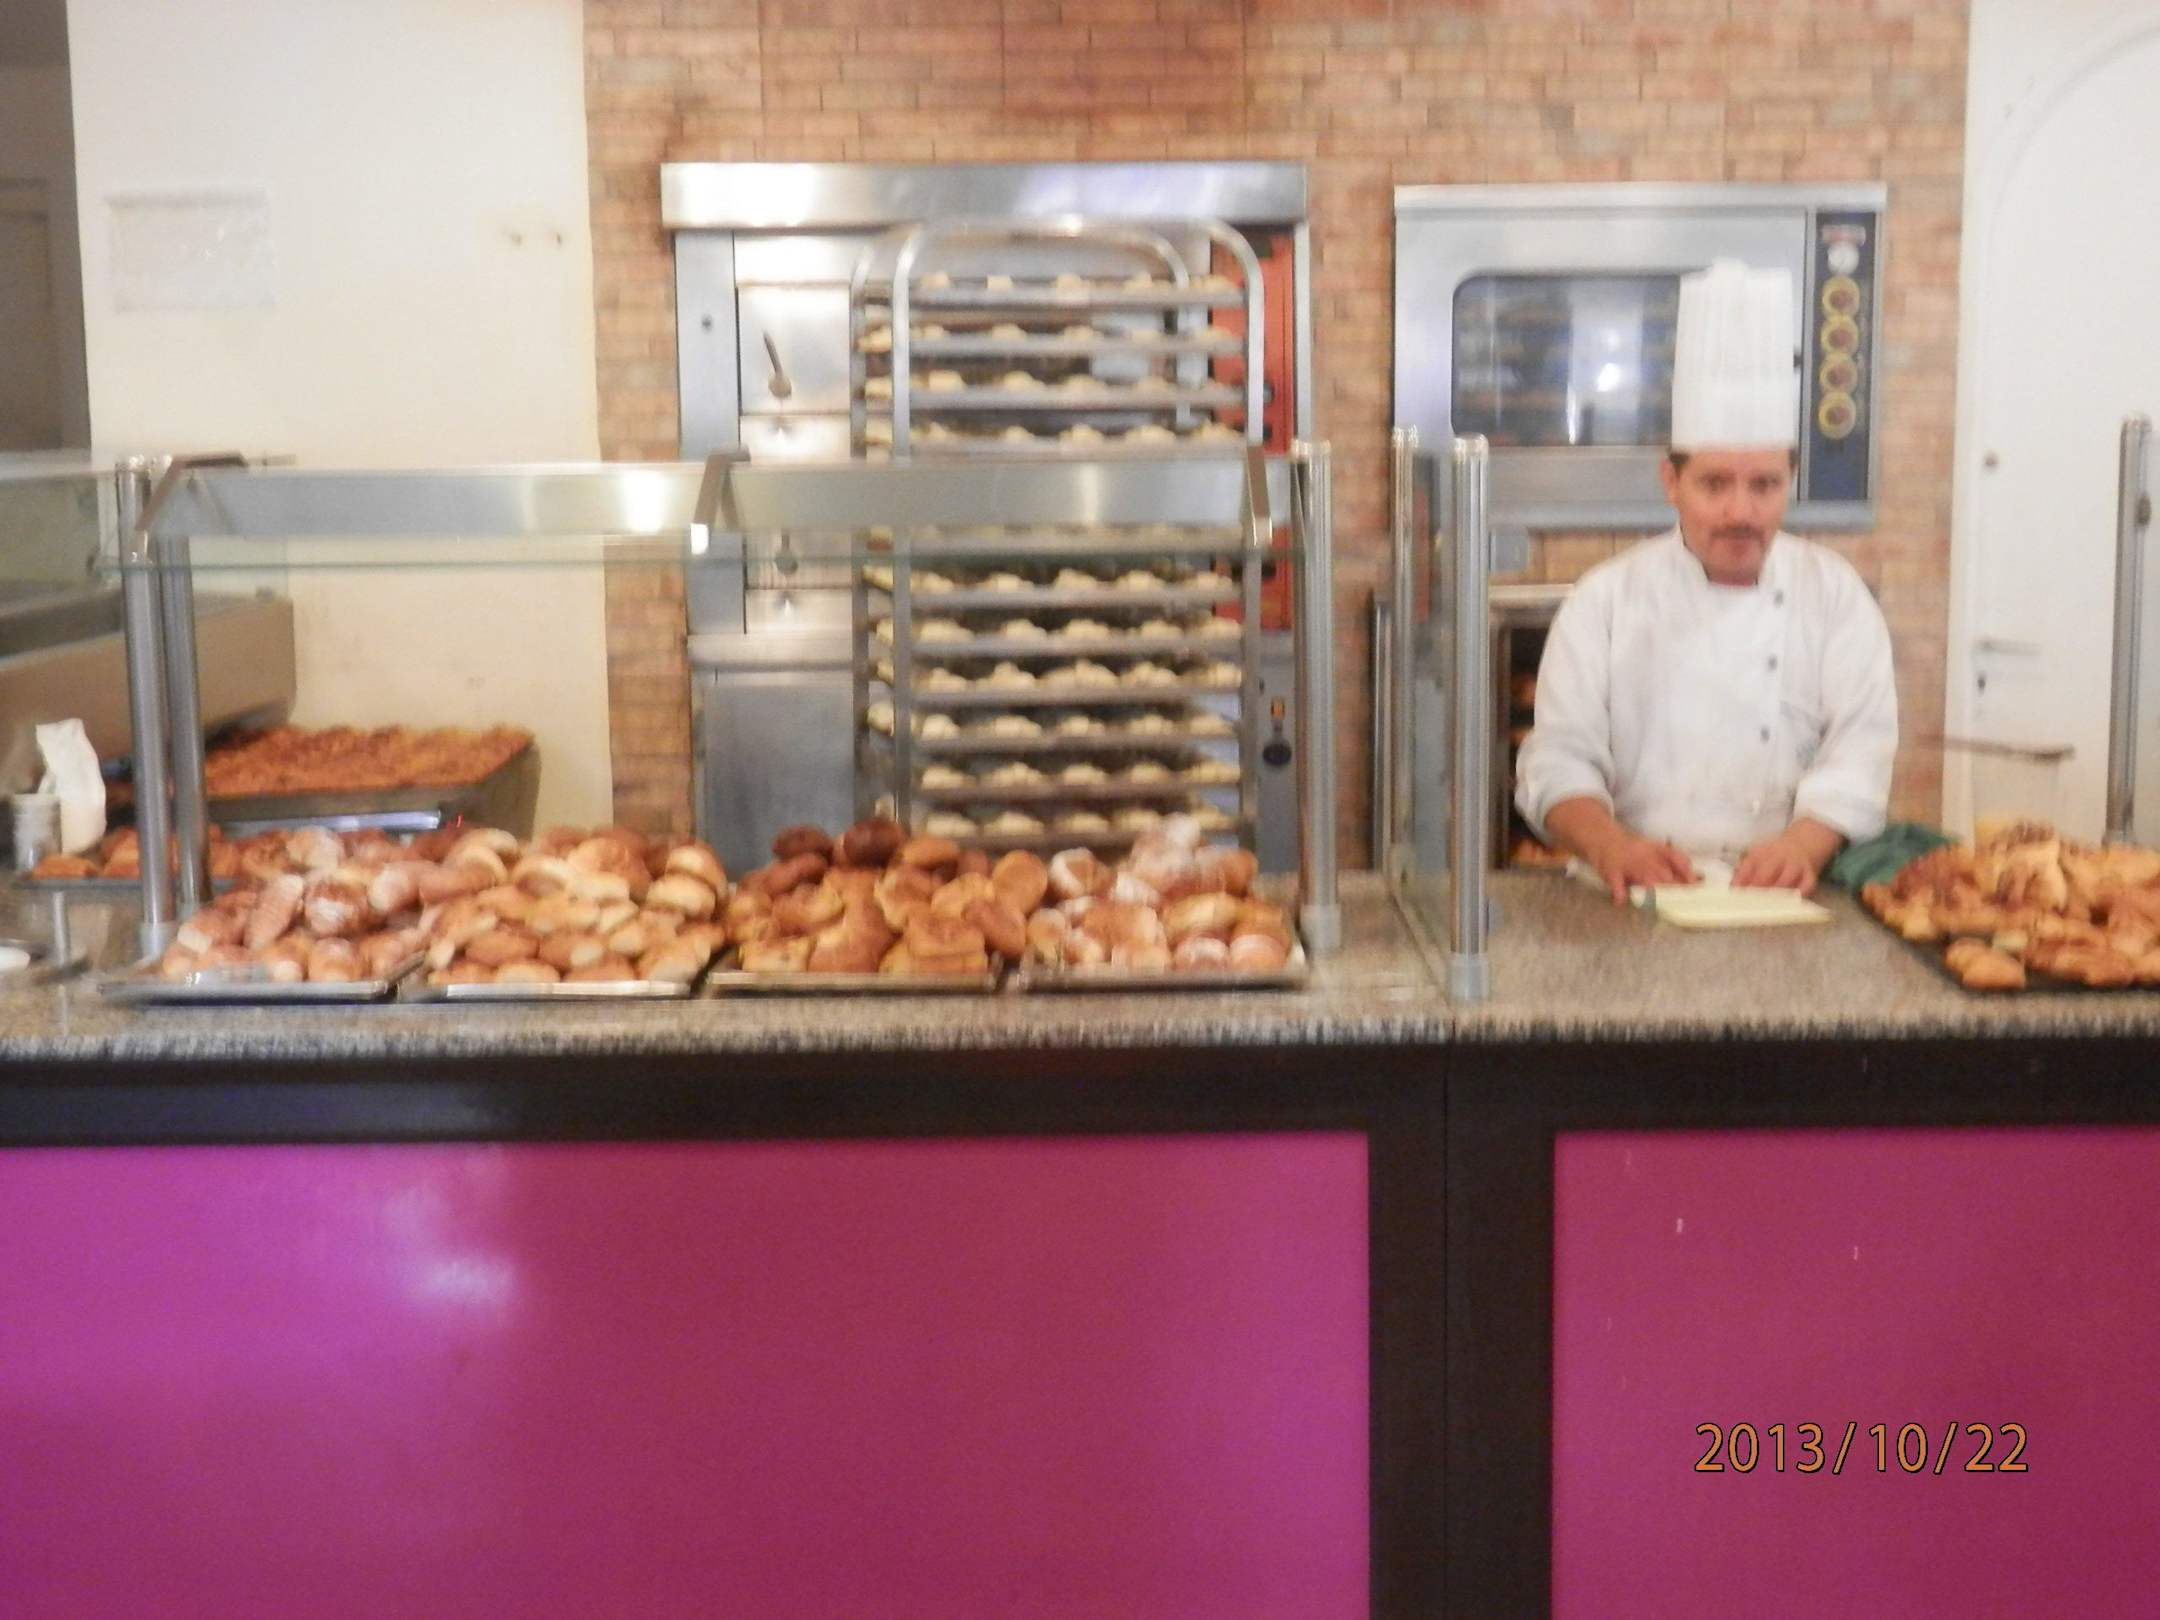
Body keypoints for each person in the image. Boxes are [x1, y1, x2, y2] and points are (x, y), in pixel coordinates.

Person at [1514, 260, 1897, 904]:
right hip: (1629, 894)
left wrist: (1801, 847)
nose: (1740, 511)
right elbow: (1557, 759)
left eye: (1764, 485)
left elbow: (1860, 754)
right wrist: (1612, 845)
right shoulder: (1606, 601)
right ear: (1671, 482)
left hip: (1788, 898)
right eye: (1715, 484)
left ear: (1790, 481)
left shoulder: (1836, 599)